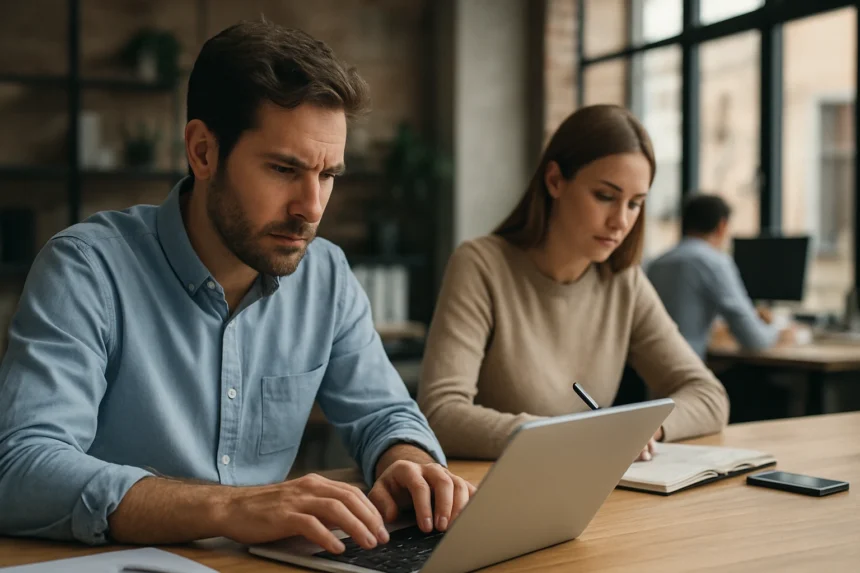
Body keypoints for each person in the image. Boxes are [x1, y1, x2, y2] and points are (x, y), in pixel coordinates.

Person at [0, 21, 474, 553]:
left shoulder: (326, 275)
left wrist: (408, 462)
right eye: (283, 169)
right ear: (202, 151)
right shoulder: (86, 269)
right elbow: (21, 469)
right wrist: (230, 508)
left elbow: (384, 414)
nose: (311, 208)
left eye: (328, 175)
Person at [417, 105, 729, 461]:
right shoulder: (481, 265)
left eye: (635, 204)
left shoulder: (623, 280)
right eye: (606, 197)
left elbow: (708, 395)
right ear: (554, 181)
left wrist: (642, 429)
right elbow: (440, 413)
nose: (620, 221)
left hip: (590, 489)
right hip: (495, 492)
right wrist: (570, 438)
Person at [646, 193, 795, 359]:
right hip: (687, 370)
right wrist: (778, 332)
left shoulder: (656, 263)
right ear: (722, 226)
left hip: (650, 370)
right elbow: (754, 340)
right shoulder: (713, 261)